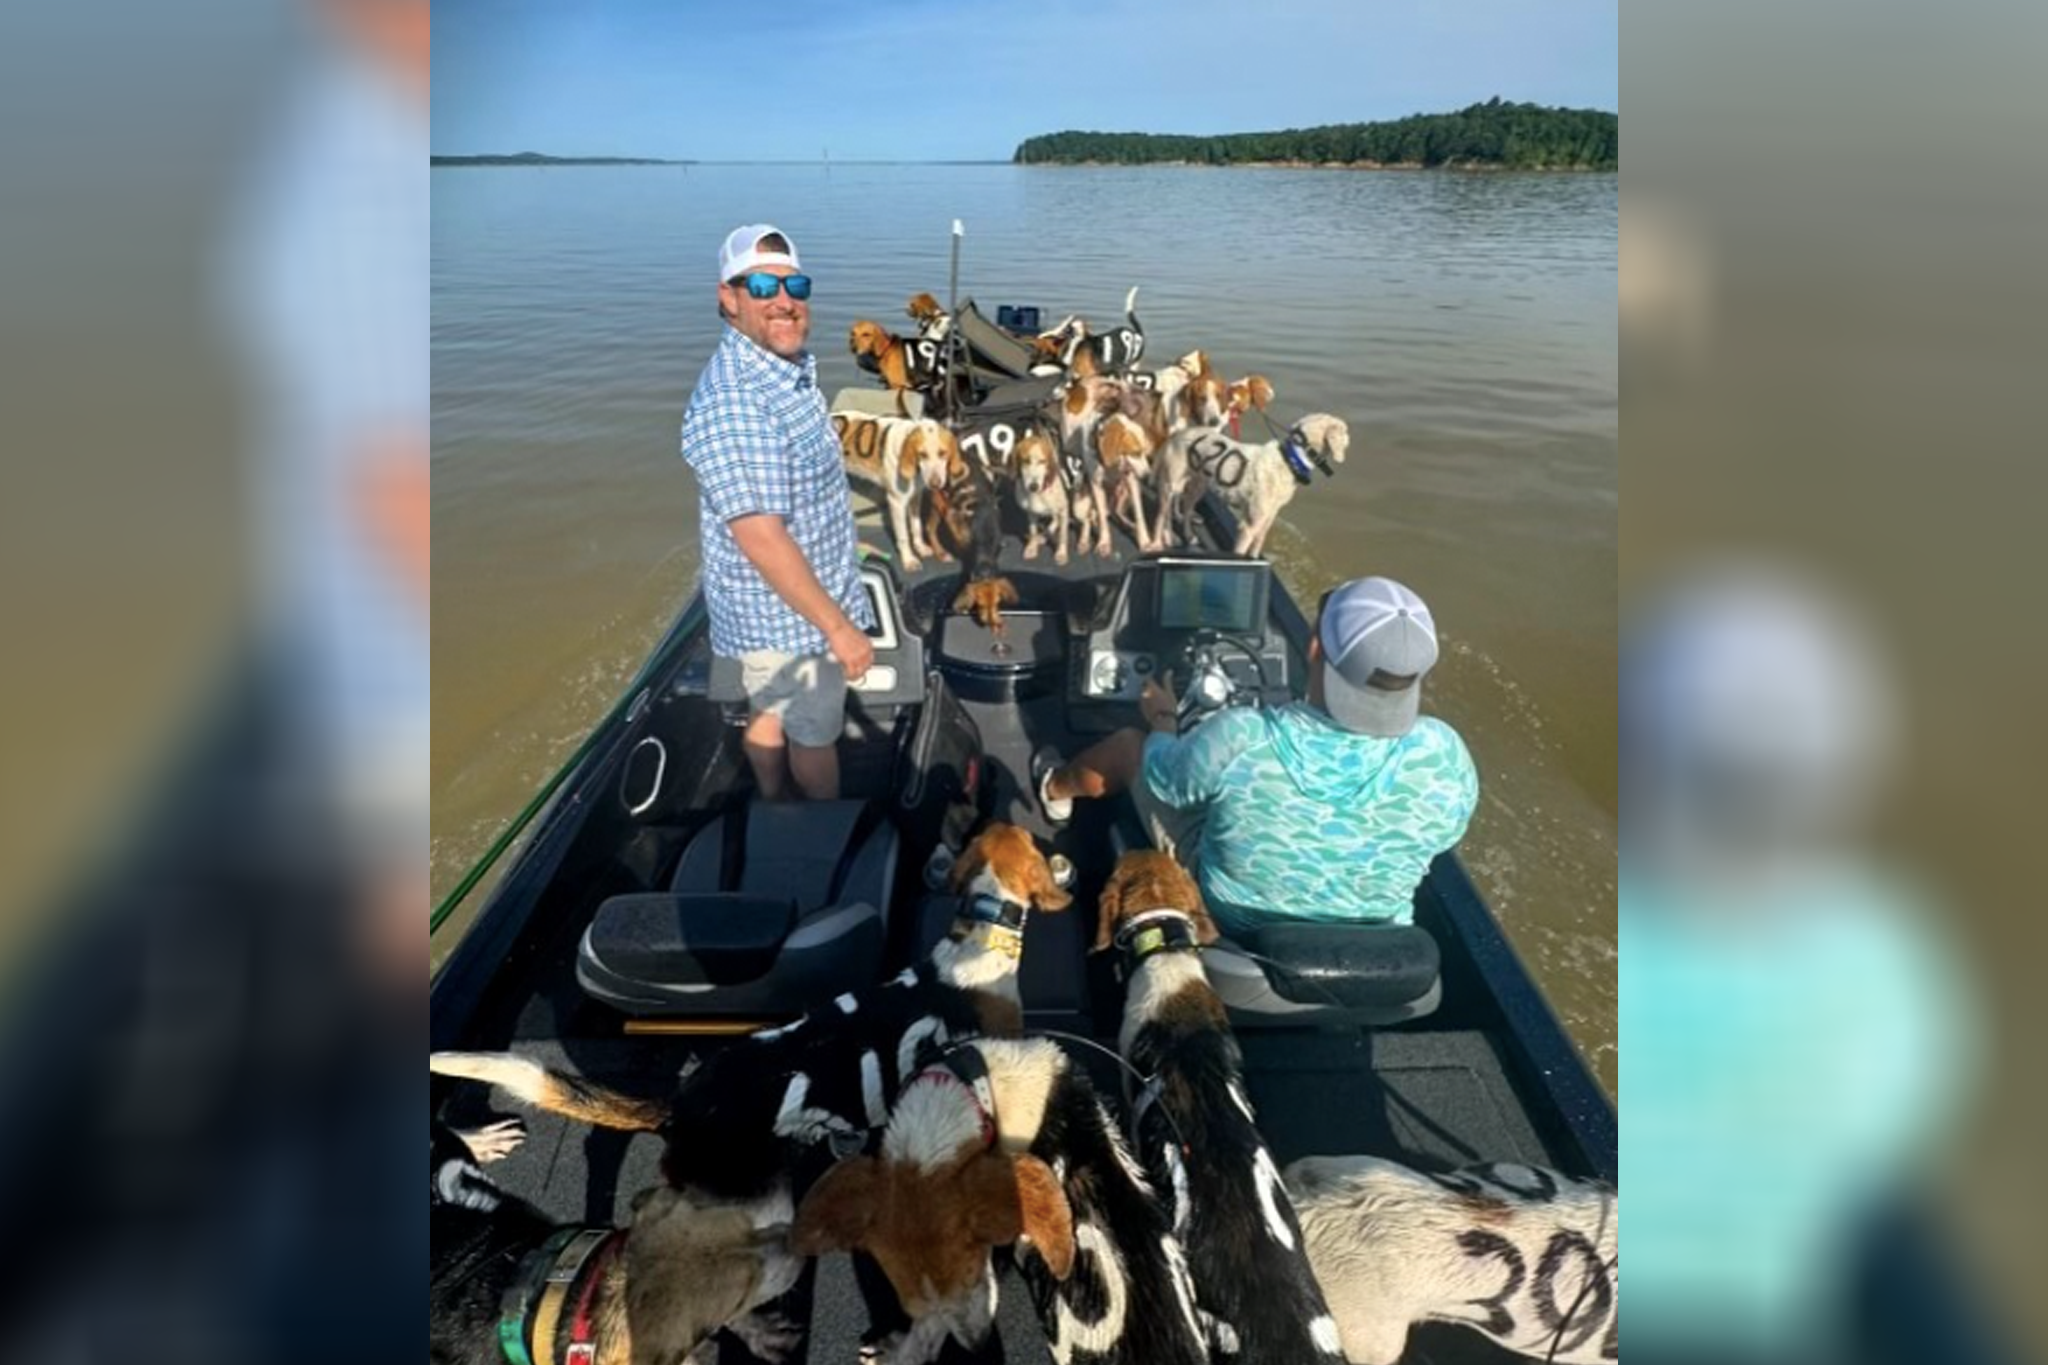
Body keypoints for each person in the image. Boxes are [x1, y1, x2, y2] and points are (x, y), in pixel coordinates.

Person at [1035, 575, 1478, 936]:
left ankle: (1055, 788)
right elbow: (1442, 836)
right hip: (1378, 940)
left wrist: (1165, 720)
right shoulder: (1444, 755)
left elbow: (1166, 781)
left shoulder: (1244, 737)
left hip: (1233, 923)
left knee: (1134, 748)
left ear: (1314, 649)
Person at [680, 224, 875, 801]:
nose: (784, 301)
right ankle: (820, 827)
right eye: (763, 286)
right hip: (789, 622)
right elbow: (762, 537)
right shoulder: (736, 403)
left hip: (791, 604)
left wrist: (843, 550)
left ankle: (772, 801)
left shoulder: (780, 371)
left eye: (796, 285)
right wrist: (838, 628)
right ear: (729, 297)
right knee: (814, 735)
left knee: (768, 710)